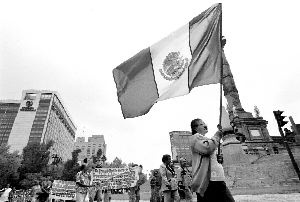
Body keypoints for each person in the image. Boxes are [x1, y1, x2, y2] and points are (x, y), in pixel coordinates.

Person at [190, 118, 235, 202]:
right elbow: (207, 148)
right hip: (208, 181)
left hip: (216, 179)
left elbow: (209, 153)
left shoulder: (203, 139)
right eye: (202, 124)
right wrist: (217, 135)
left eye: (204, 123)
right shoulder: (195, 138)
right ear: (195, 128)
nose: (205, 125)